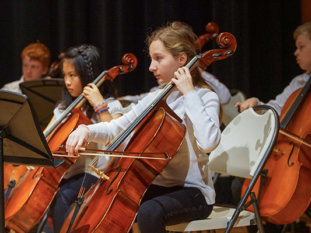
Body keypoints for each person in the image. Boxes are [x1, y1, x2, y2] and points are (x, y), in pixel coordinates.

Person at [65, 21, 221, 233]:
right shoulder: (156, 96)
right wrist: (87, 130)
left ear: (181, 59)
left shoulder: (205, 97)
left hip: (194, 192)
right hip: (159, 186)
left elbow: (209, 143)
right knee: (115, 203)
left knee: (148, 212)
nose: (151, 67)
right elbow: (117, 128)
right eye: (151, 59)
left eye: (159, 58)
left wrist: (189, 93)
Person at [235, 21, 311, 233]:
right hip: (298, 158)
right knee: (245, 186)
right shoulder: (299, 82)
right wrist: (257, 104)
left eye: (301, 46)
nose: (295, 53)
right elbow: (277, 107)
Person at [48, 44, 125, 233]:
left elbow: (117, 141)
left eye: (72, 75)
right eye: (65, 75)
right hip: (69, 174)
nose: (67, 81)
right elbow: (45, 138)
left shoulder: (112, 106)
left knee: (64, 196)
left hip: (98, 176)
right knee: (58, 195)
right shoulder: (64, 109)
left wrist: (100, 106)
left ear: (88, 77)